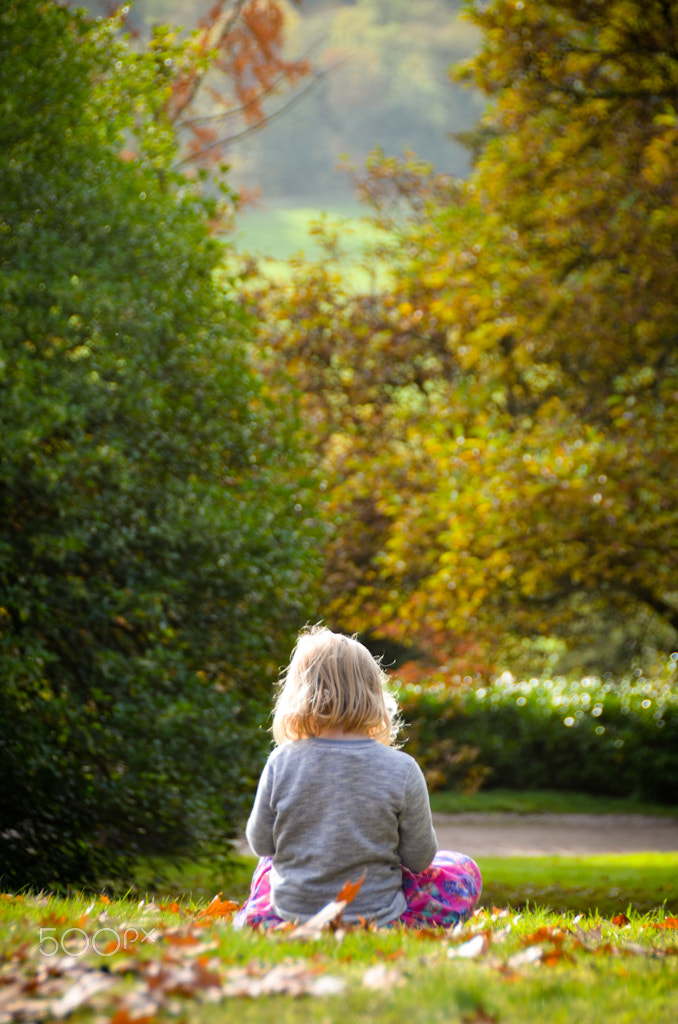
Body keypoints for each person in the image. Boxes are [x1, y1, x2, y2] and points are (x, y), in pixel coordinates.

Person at [232, 625, 482, 929]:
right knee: (461, 868)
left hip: (289, 915)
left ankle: (259, 915)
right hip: (376, 918)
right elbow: (419, 859)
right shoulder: (402, 769)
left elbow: (261, 844)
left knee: (267, 865)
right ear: (373, 693)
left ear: (298, 693)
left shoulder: (280, 761)